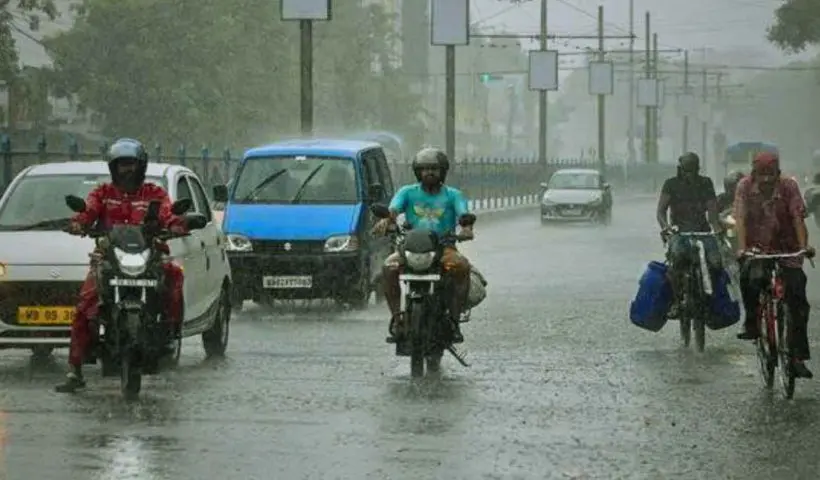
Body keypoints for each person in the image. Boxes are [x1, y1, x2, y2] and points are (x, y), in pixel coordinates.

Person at [55, 138, 188, 393]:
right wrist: (79, 222)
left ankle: (169, 332)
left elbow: (168, 214)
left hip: (148, 255)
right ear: (113, 168)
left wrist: (177, 224)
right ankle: (75, 370)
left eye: (132, 165)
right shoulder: (102, 193)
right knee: (85, 303)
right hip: (109, 257)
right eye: (122, 165)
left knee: (174, 276)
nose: (127, 170)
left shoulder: (154, 194)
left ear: (141, 166)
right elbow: (88, 211)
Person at [373, 147, 473, 344]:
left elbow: (463, 214)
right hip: (410, 248)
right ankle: (397, 318)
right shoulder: (407, 192)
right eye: (424, 168)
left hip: (444, 248)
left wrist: (466, 228)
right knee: (388, 268)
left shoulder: (453, 195)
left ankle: (453, 321)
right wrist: (387, 220)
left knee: (461, 267)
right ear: (417, 172)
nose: (429, 172)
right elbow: (393, 209)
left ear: (443, 171)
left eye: (434, 169)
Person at [734, 151, 816, 378]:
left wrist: (804, 246)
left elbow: (798, 218)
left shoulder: (789, 186)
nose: (767, 180)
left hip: (787, 246)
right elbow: (739, 218)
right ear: (754, 173)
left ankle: (797, 357)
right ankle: (752, 322)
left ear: (778, 172)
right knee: (749, 278)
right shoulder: (743, 187)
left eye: (771, 174)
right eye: (762, 175)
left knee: (797, 298)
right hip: (757, 247)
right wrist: (741, 249)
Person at [656, 152, 722, 318]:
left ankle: (712, 301)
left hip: (703, 232)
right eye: (686, 170)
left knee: (716, 263)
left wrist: (716, 228)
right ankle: (678, 301)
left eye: (692, 170)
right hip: (679, 233)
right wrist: (666, 227)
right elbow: (661, 212)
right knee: (676, 262)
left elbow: (713, 210)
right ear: (680, 169)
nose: (689, 174)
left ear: (698, 169)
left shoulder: (706, 183)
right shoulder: (670, 184)